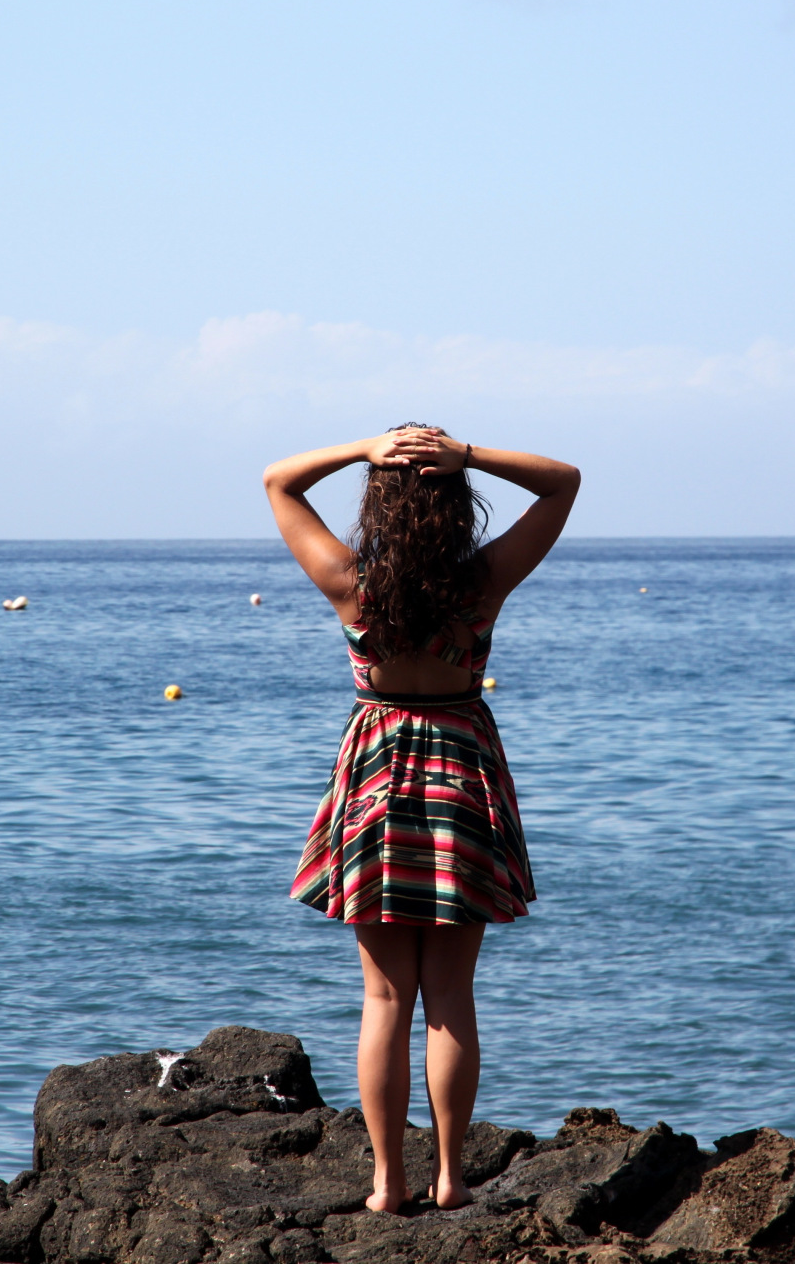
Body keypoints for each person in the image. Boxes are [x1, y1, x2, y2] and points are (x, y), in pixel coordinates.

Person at [263, 424, 580, 1214]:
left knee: (384, 999)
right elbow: (564, 480)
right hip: (462, 776)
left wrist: (362, 447)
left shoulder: (351, 581)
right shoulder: (481, 584)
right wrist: (468, 455)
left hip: (375, 779)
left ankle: (386, 1183)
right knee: (452, 997)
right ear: (453, 503)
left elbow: (279, 481)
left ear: (380, 505)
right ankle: (450, 1178)